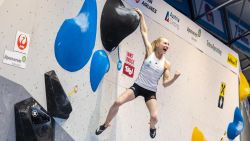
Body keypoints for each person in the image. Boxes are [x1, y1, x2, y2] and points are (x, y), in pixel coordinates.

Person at [95, 8, 181, 138]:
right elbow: (144, 32)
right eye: (165, 43)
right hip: (138, 86)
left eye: (168, 44)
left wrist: (174, 78)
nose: (167, 46)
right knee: (117, 102)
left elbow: (165, 84)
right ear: (158, 44)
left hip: (150, 92)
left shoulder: (166, 64)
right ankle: (105, 124)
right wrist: (141, 16)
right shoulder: (150, 51)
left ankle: (152, 128)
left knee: (155, 117)